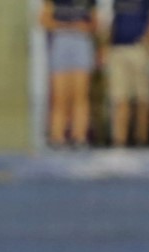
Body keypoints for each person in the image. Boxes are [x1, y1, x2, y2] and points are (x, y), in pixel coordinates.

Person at [106, 0, 149, 147]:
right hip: (118, 49)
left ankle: (141, 141)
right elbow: (113, 19)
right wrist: (107, 44)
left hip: (140, 48)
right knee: (120, 98)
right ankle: (119, 142)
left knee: (143, 99)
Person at [43, 0, 97, 148]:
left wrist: (82, 27)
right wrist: (67, 26)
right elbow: (44, 20)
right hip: (61, 41)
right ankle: (57, 137)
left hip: (81, 42)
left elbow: (94, 24)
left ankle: (79, 137)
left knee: (80, 95)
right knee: (59, 96)